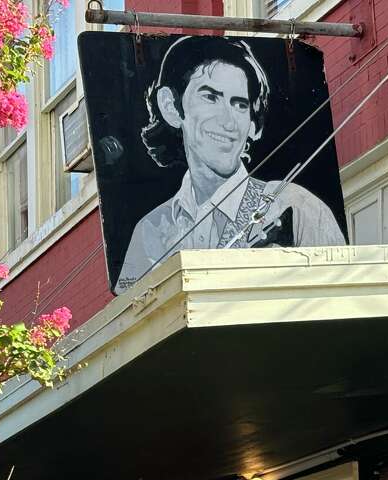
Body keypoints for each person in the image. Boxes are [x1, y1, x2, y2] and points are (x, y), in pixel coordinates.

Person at [116, 36, 345, 293]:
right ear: (171, 107)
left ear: (251, 124)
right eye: (211, 97)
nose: (228, 122)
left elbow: (342, 305)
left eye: (239, 104)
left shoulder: (295, 206)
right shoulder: (151, 230)